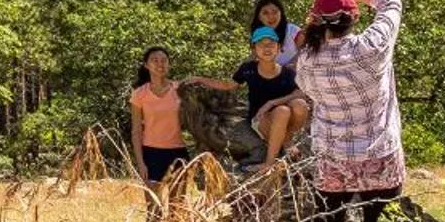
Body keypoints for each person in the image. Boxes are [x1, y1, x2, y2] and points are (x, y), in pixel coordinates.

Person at [289, 0, 405, 222]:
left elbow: (305, 88)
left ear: (316, 20)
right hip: (380, 154)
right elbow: (391, 1)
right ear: (354, 17)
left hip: (333, 158)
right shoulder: (372, 47)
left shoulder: (307, 61)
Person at [189, 26, 311, 167]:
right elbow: (228, 85)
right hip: (261, 121)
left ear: (279, 48)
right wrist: (200, 79)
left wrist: (271, 103)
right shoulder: (249, 69)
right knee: (282, 111)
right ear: (254, 50)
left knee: (299, 105)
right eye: (261, 45)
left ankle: (286, 139)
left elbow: (301, 92)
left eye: (271, 44)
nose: (266, 48)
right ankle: (270, 163)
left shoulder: (287, 73)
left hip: (283, 121)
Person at [128, 47, 194, 190]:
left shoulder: (180, 90)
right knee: (154, 209)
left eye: (164, 60)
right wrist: (140, 163)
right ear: (146, 65)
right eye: (155, 60)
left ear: (169, 64)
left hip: (178, 152)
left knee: (177, 207)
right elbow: (136, 131)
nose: (160, 64)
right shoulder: (139, 94)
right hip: (151, 153)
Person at [249, 0, 302, 66]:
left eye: (275, 12)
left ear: (281, 13)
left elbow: (308, 53)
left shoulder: (293, 31)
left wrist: (291, 66)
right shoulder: (256, 38)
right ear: (259, 17)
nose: (271, 16)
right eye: (265, 13)